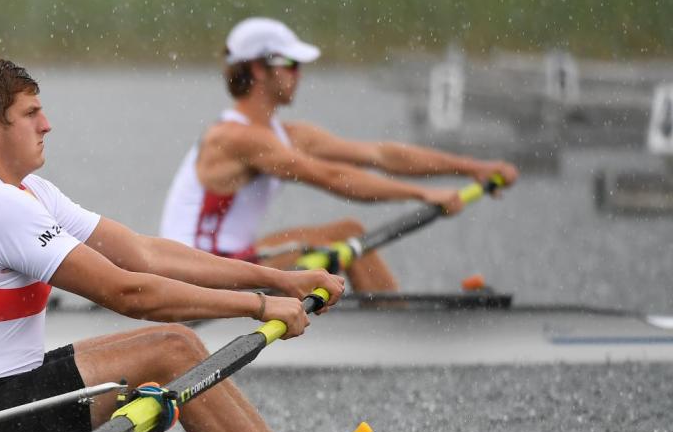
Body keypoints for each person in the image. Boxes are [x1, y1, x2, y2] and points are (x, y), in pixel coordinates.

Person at [0, 55, 346, 432]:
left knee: (177, 341)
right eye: (31, 114)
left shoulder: (28, 191)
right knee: (172, 350)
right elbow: (128, 293)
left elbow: (143, 254)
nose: (47, 125)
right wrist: (260, 306)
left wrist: (279, 280)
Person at [159, 17, 520, 291]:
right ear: (257, 69)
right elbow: (332, 178)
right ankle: (393, 325)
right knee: (338, 238)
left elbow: (381, 155)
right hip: (193, 275)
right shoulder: (234, 138)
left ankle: (386, 315)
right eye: (291, 64)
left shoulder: (288, 135)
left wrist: (472, 167)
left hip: (231, 260)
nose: (299, 75)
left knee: (347, 232)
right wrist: (423, 194)